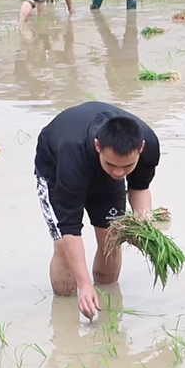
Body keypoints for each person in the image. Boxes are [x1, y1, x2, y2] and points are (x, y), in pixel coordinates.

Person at [34, 101, 160, 320]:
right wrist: (84, 284)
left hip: (100, 173)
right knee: (63, 246)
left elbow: (139, 188)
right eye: (112, 165)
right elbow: (70, 229)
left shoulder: (149, 144)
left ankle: (109, 312)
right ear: (97, 146)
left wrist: (143, 228)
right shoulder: (71, 152)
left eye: (127, 166)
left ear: (140, 148)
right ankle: (65, 321)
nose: (120, 172)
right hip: (57, 171)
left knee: (112, 241)